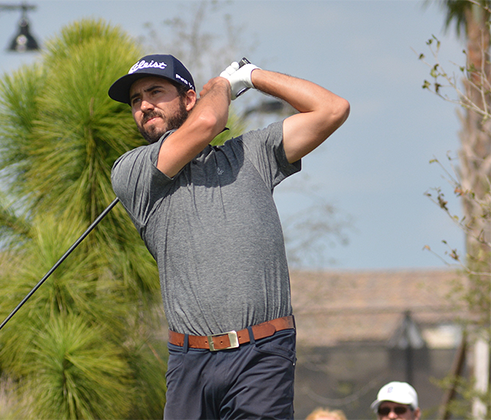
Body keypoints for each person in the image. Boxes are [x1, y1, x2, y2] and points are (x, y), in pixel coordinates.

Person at [108, 53, 349, 419]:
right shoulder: (132, 171)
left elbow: (332, 109)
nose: (144, 105)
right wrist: (223, 85)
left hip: (263, 354)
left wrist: (252, 76)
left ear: (189, 98)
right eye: (136, 100)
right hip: (190, 362)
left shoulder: (252, 154)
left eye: (155, 92)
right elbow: (206, 121)